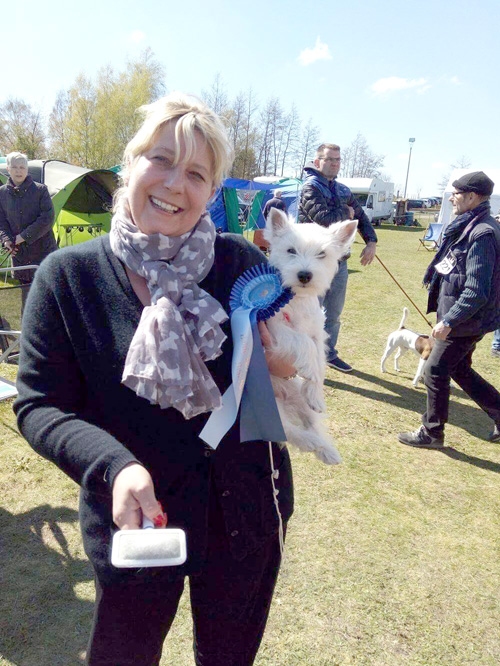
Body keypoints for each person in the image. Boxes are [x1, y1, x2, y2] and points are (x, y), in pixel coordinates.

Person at [14, 92, 295, 666]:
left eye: (196, 173)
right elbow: (40, 404)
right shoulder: (68, 276)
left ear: (212, 193)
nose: (175, 184)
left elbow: (285, 358)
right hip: (140, 520)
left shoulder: (242, 263)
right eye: (161, 160)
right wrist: (114, 467)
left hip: (244, 513)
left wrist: (286, 365)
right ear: (128, 166)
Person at [398, 171, 500, 448]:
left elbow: (476, 290)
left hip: (465, 320)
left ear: (472, 197)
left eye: (456, 193)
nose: (452, 198)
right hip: (463, 317)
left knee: (434, 371)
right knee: (460, 370)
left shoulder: (482, 233)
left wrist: (449, 321)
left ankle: (432, 433)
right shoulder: (468, 226)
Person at [299, 143, 378, 372]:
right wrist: (347, 213)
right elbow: (324, 219)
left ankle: (328, 354)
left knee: (333, 313)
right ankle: (305, 358)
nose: (334, 163)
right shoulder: (310, 187)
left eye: (337, 160)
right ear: (317, 162)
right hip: (312, 262)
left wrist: (371, 241)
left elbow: (360, 216)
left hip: (338, 262)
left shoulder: (343, 190)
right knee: (309, 313)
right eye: (329, 159)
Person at [0, 152, 57, 307]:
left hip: (43, 253)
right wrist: (6, 241)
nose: (19, 171)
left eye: (22, 167)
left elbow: (47, 219)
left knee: (48, 301)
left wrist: (22, 237)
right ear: (8, 169)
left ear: (27, 169)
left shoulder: (41, 190)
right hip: (20, 257)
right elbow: (1, 222)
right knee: (28, 304)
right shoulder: (2, 193)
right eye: (15, 167)